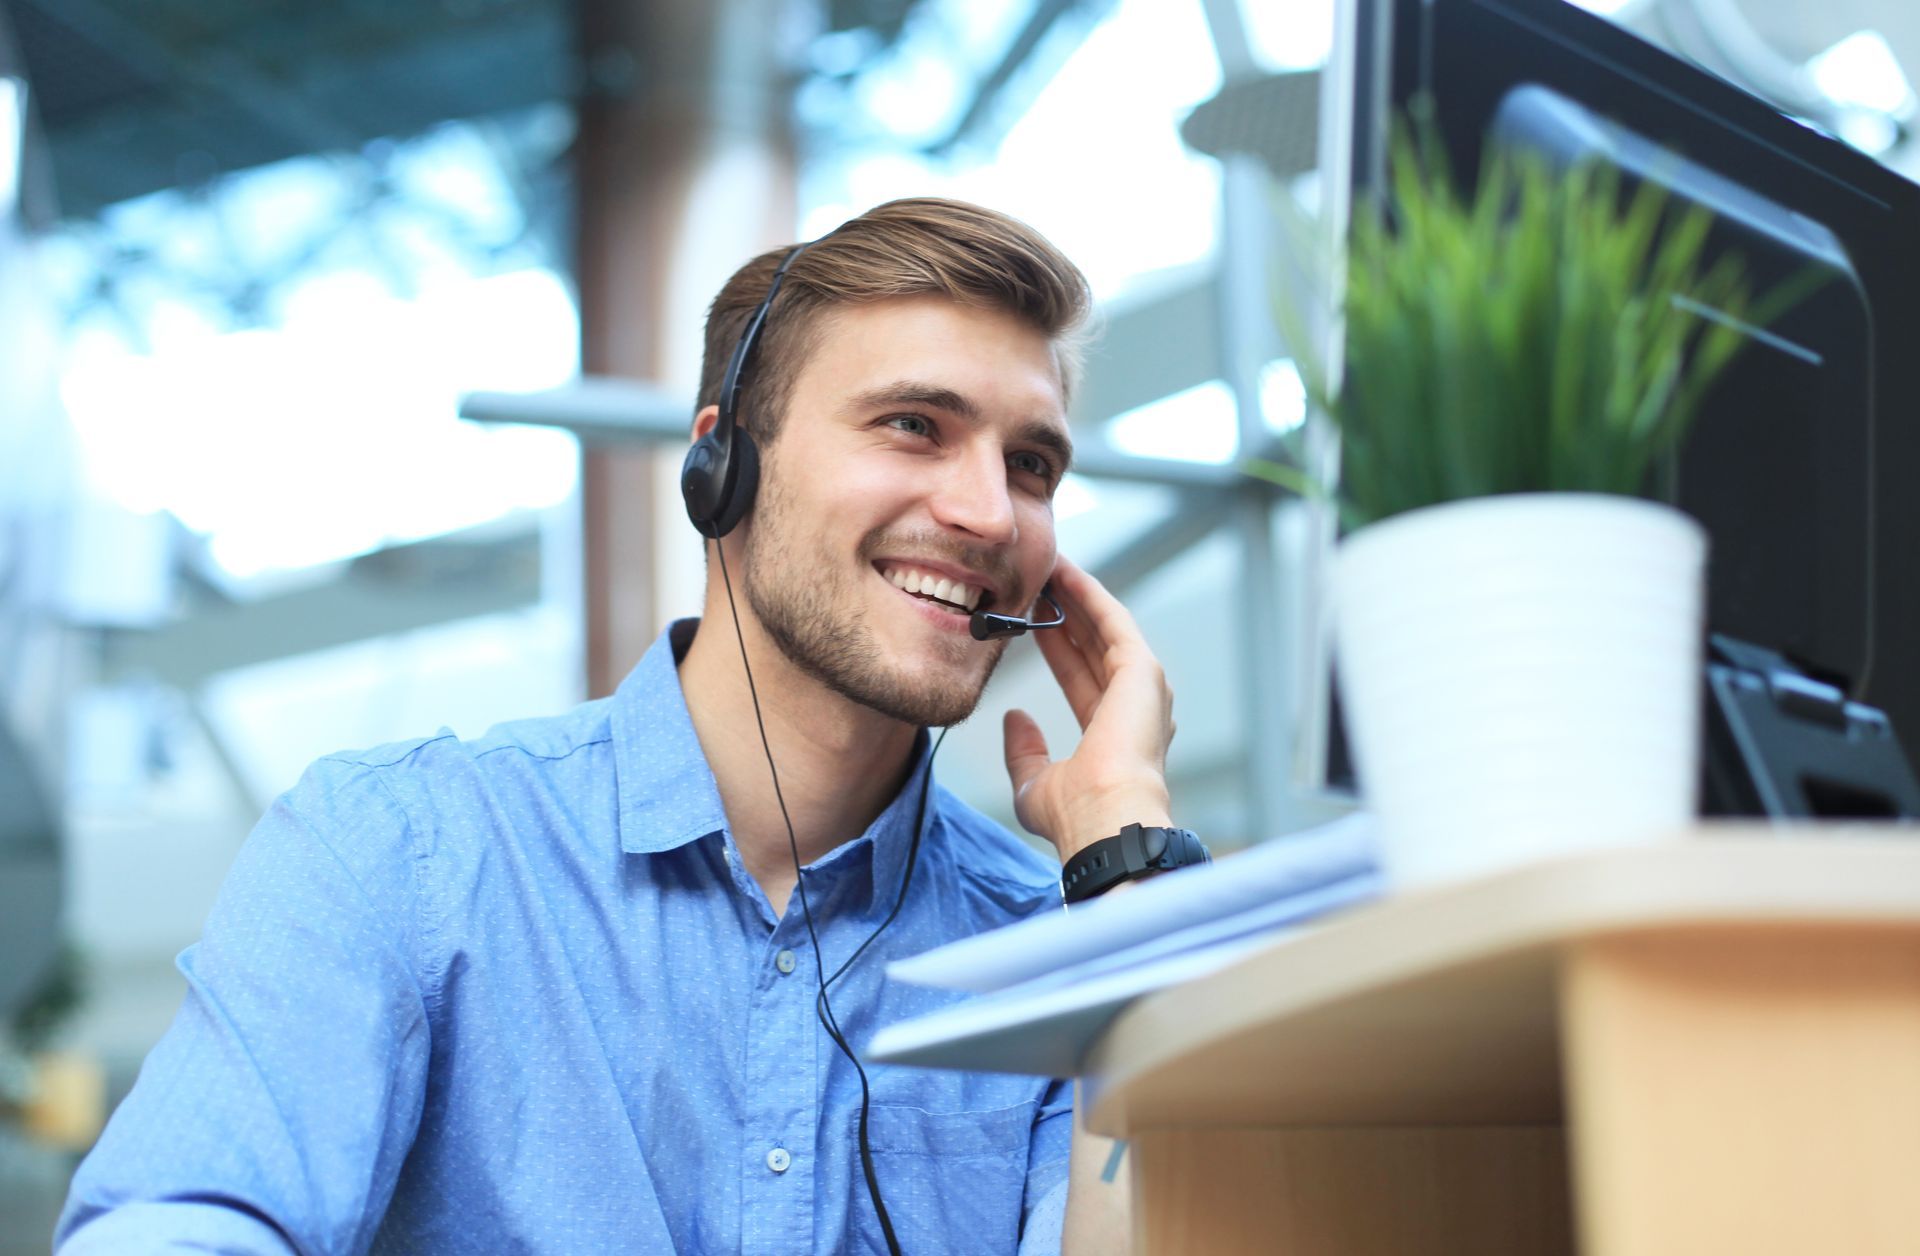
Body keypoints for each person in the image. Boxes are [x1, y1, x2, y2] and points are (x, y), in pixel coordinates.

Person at [56, 198, 1191, 1254]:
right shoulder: (400, 850)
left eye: (1030, 463)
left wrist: (1127, 851)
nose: (988, 510)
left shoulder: (1057, 950)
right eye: (912, 424)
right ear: (724, 465)